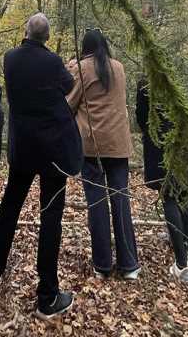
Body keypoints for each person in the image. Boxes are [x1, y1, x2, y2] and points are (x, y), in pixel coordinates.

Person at [0, 13, 82, 320]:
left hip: (23, 147)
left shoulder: (10, 59)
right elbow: (68, 88)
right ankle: (47, 295)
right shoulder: (52, 63)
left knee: (10, 206)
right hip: (53, 150)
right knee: (51, 216)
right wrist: (69, 69)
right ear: (47, 38)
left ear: (26, 31)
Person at [67, 29, 139, 280]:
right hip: (119, 144)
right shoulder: (118, 67)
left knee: (96, 202)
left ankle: (103, 264)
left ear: (83, 47)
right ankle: (130, 264)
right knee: (121, 200)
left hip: (92, 145)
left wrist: (70, 71)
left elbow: (69, 103)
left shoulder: (82, 68)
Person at [136, 78, 188, 283]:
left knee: (169, 199)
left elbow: (141, 118)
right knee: (184, 197)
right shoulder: (173, 81)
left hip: (160, 147)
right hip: (180, 145)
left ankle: (182, 265)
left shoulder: (146, 83)